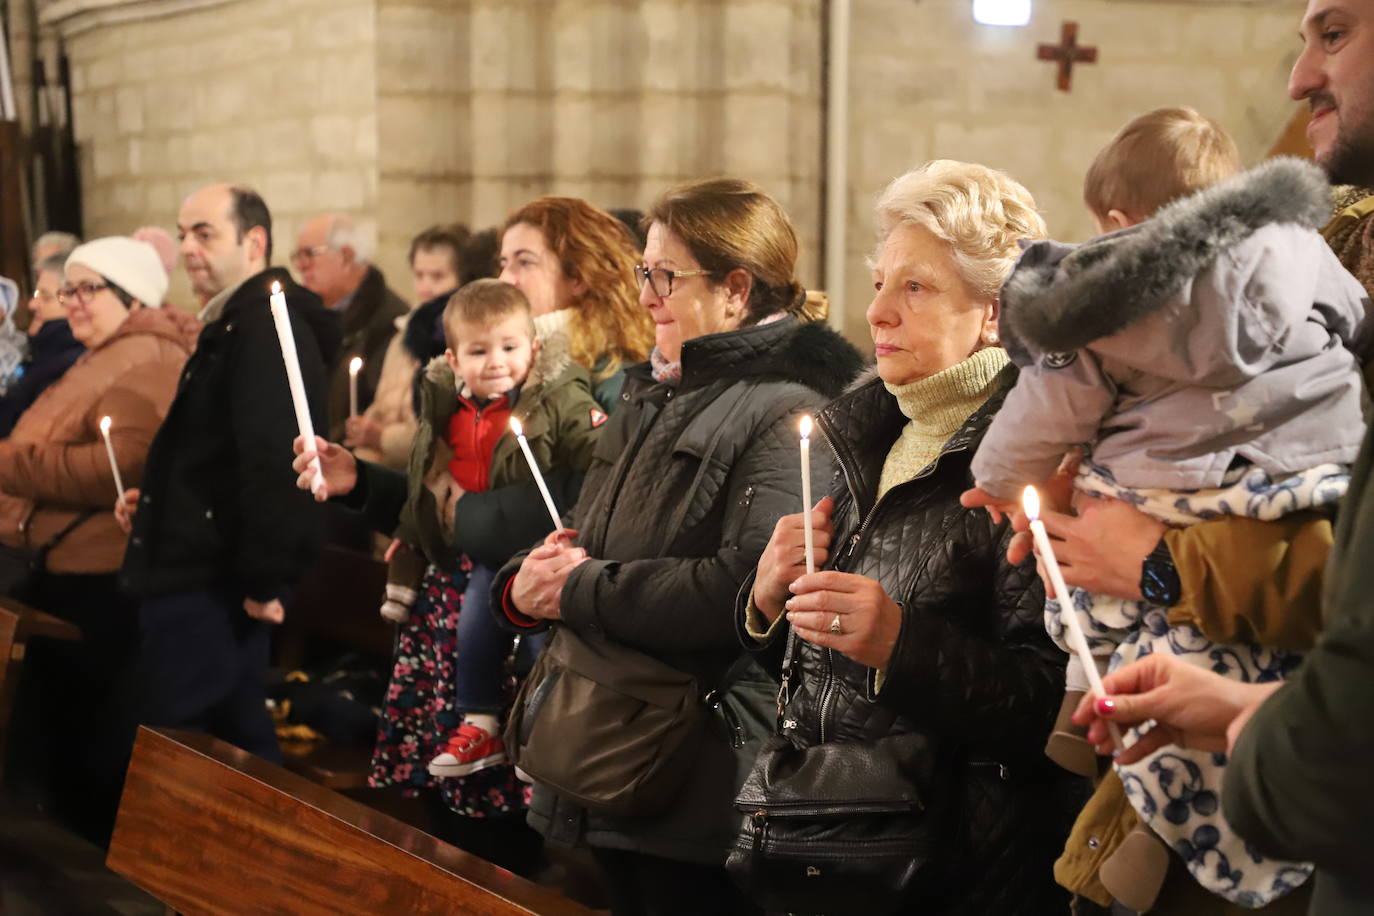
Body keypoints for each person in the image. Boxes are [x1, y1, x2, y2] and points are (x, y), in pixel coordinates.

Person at [965, 121, 1366, 906]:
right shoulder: (1309, 247)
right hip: (1296, 480)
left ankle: (1092, 710)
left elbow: (1048, 408)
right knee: (1223, 668)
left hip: (1168, 484)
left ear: (1117, 224)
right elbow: (1356, 327)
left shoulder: (1098, 292)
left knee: (1122, 613)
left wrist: (1002, 479)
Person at [490, 177, 863, 916]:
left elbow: (741, 587)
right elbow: (580, 536)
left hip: (694, 766)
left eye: (665, 275)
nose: (646, 295)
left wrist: (574, 589)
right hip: (608, 738)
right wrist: (520, 585)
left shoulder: (790, 409)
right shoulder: (654, 391)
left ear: (735, 289)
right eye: (643, 273)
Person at [744, 161, 1081, 915]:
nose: (877, 313)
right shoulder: (874, 431)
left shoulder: (1030, 456)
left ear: (994, 313)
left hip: (957, 866)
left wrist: (903, 645)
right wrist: (768, 602)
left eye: (916, 288)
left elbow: (1051, 702)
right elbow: (820, 668)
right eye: (879, 284)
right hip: (829, 840)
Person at [117, 184, 339, 763]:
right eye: (183, 232)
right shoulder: (236, 322)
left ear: (254, 242)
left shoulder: (266, 326)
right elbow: (214, 452)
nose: (188, 246)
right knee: (225, 749)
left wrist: (267, 582)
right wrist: (158, 500)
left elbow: (277, 458)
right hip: (203, 573)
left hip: (215, 585)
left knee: (193, 756)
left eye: (205, 233)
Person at [0, 236, 196, 844]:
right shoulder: (101, 355)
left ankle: (81, 860)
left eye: (89, 290)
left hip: (96, 572)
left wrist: (9, 464)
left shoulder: (149, 359)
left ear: (131, 294)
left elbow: (126, 464)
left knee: (83, 728)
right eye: (68, 291)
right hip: (56, 561)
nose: (73, 303)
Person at [378, 279, 603, 783]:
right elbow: (429, 475)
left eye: (509, 347)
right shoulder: (447, 408)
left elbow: (599, 459)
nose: (497, 362)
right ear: (454, 361)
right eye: (479, 351)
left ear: (534, 348)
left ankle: (545, 732)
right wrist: (411, 530)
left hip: (543, 545)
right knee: (475, 621)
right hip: (489, 549)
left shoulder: (559, 397)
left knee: (543, 641)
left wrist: (575, 524)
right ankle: (481, 723)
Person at [498, 196, 654, 409]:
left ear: (578, 277)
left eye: (525, 261)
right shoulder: (498, 367)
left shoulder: (617, 382)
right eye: (504, 263)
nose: (504, 279)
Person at [346, 223, 471, 469]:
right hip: (379, 466)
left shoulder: (459, 339)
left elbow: (441, 434)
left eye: (437, 276)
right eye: (419, 275)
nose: (425, 287)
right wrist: (364, 425)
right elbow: (384, 401)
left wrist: (382, 437)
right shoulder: (404, 331)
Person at [292, 213, 408, 439]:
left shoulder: (387, 320)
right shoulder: (313, 313)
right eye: (298, 256)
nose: (299, 266)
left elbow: (372, 410)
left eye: (309, 255)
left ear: (345, 256)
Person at [0, 255, 86, 437]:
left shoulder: (70, 363)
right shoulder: (45, 352)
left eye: (45, 297)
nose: (32, 305)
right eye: (35, 295)